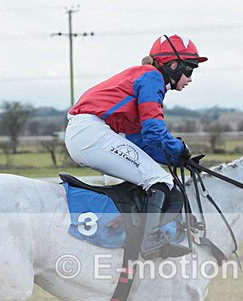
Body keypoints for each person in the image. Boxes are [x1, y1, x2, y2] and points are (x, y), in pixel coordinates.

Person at [64, 34, 208, 260]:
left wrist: (175, 158)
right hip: (91, 133)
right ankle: (150, 241)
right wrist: (179, 149)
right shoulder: (151, 78)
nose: (190, 78)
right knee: (159, 180)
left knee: (155, 176)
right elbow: (153, 130)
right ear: (172, 65)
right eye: (189, 70)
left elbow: (141, 141)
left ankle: (140, 233)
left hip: (87, 133)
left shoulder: (144, 79)